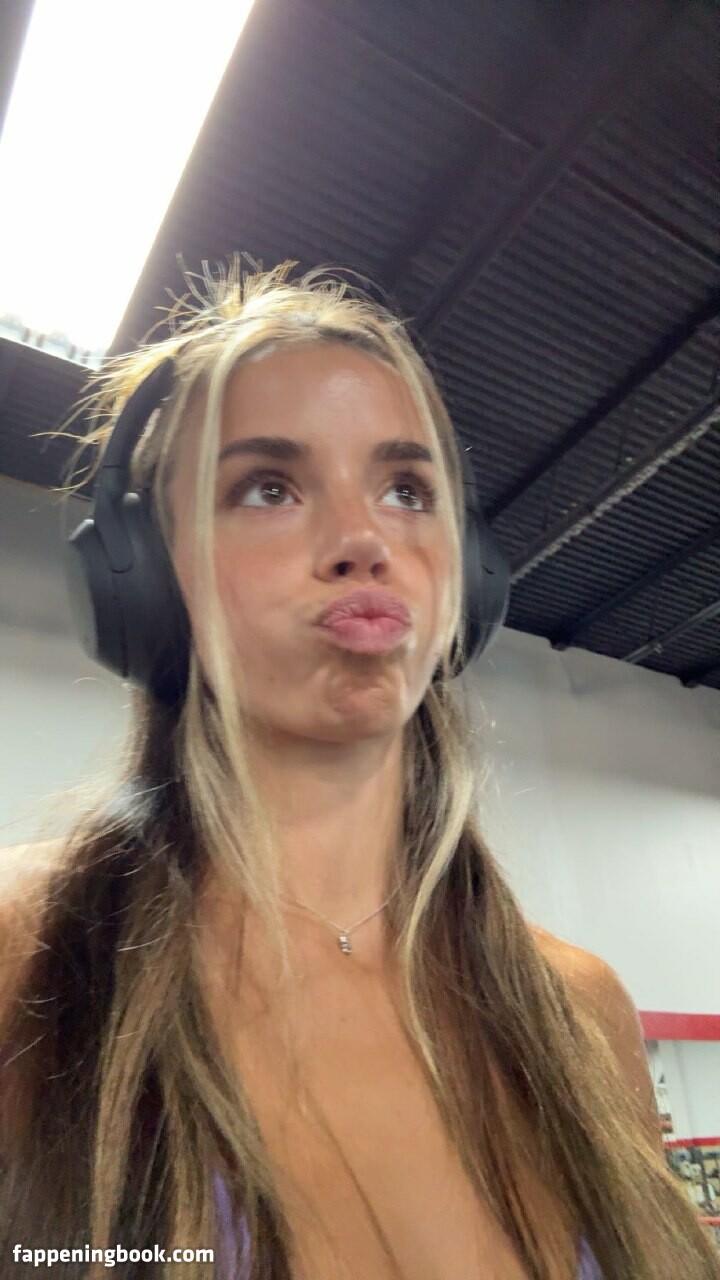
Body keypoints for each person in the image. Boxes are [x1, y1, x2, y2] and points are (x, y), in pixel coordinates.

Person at [0, 260, 716, 1280]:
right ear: (143, 580)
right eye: (269, 487)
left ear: (467, 580)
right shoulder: (27, 954)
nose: (363, 540)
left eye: (406, 490)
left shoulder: (581, 1008)